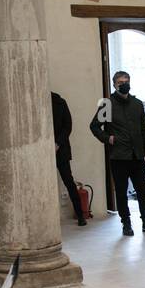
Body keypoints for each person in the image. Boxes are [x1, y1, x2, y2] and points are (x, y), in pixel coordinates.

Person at [89, 70, 145, 237]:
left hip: (137, 155)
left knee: (142, 190)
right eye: (120, 82)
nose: (124, 84)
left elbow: (144, 129)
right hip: (119, 156)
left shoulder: (137, 104)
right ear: (114, 85)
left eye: (126, 81)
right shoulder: (107, 104)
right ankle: (126, 223)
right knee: (121, 192)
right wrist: (108, 138)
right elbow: (94, 126)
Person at [51, 91, 85, 226]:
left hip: (61, 148)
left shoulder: (60, 102)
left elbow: (68, 125)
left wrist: (57, 143)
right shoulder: (35, 102)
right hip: (42, 148)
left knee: (69, 182)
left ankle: (80, 214)